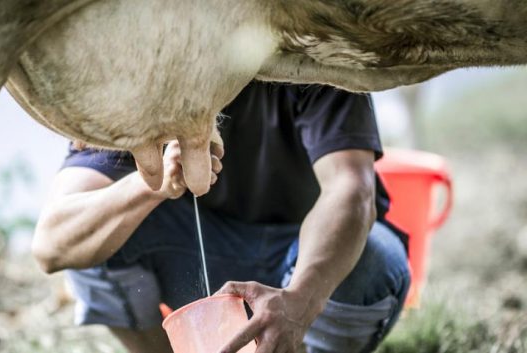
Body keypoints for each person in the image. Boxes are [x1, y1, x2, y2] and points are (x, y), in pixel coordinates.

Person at [32, 81, 411, 353]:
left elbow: (352, 190)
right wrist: (152, 185)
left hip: (308, 263)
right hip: (209, 266)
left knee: (373, 257)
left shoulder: (316, 56)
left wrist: (300, 300)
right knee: (93, 238)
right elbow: (53, 244)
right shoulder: (138, 84)